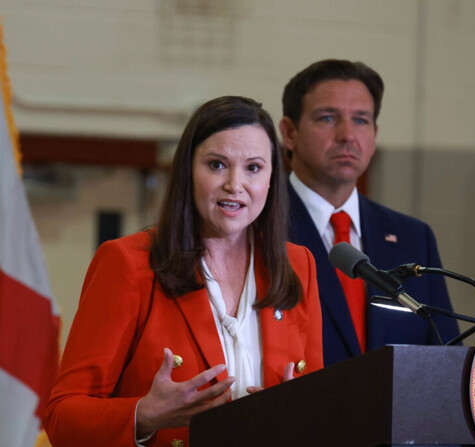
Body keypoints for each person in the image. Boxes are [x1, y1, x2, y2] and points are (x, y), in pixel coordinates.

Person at [45, 96, 324, 447]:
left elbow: (318, 408)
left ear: (272, 179)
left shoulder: (299, 265)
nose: (235, 184)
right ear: (188, 171)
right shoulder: (127, 263)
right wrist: (144, 415)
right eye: (217, 164)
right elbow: (61, 418)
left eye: (253, 167)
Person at [279, 59, 460, 367]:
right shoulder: (258, 228)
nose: (347, 135)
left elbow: (444, 356)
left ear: (374, 135)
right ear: (290, 132)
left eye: (361, 120)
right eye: (327, 118)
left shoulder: (413, 237)